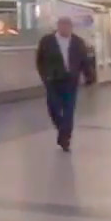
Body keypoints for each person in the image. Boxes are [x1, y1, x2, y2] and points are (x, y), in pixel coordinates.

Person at [36, 16, 95, 152]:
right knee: (53, 108)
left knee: (68, 109)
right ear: (58, 26)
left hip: (70, 80)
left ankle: (65, 138)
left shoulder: (77, 42)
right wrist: (44, 76)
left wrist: (89, 76)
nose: (66, 29)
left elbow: (84, 60)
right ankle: (62, 129)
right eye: (63, 26)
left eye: (68, 26)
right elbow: (40, 60)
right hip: (53, 79)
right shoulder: (47, 41)